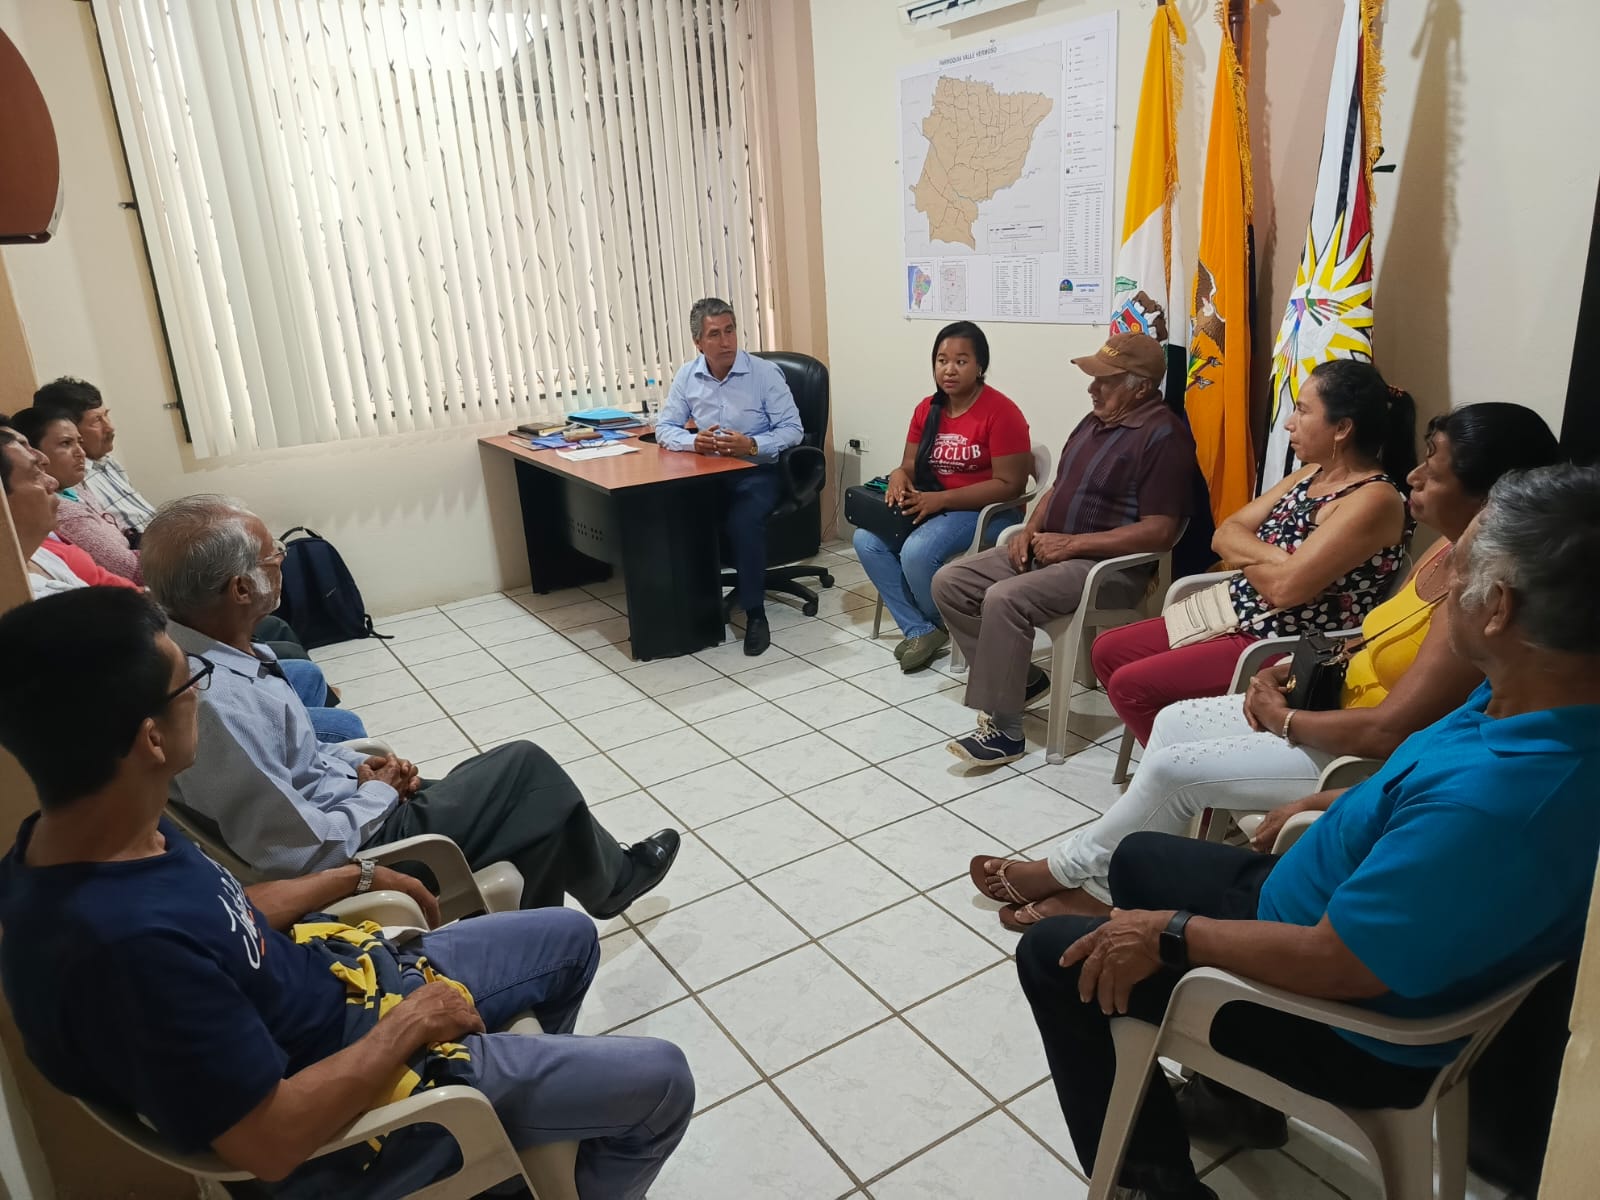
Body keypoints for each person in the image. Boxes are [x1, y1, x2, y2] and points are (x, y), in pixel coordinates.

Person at [1014, 462, 1600, 1200]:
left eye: (1460, 571)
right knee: (1137, 859)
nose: (1443, 584)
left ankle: (1154, 1184)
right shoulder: (1526, 696)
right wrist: (1332, 804)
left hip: (1342, 1024)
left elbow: (1338, 965)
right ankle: (1236, 1102)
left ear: (1499, 608)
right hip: (1315, 910)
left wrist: (1169, 934)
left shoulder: (1498, 803)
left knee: (1052, 956)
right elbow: (1418, 782)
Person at [0, 588, 693, 1199]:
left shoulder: (92, 834)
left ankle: (524, 1147)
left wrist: (354, 876)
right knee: (664, 1081)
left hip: (350, 986)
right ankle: (508, 1138)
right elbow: (270, 1142)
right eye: (193, 682)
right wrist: (410, 1026)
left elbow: (223, 919)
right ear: (151, 738)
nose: (204, 697)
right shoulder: (120, 950)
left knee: (570, 938)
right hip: (358, 1115)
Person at [971, 402, 1562, 925]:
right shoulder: (1444, 550)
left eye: (1434, 465)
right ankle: (1127, 866)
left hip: (1350, 748)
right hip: (1317, 688)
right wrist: (1295, 669)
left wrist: (1284, 719)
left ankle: (1075, 875)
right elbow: (1241, 544)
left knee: (1172, 768)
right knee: (1171, 724)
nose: (1415, 472)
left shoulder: (1476, 599)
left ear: (1488, 495)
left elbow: (1389, 730)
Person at [142, 495, 680, 914]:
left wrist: (358, 768)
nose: (282, 561)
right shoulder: (214, 703)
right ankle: (610, 884)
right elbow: (298, 852)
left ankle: (549, 938)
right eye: (274, 556)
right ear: (241, 589)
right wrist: (377, 795)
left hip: (348, 808)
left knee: (533, 812)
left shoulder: (219, 650)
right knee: (527, 769)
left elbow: (292, 762)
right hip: (362, 853)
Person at [1091, 359, 1417, 748]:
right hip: (1234, 611)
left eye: (1303, 411)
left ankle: (1187, 772)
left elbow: (1284, 591)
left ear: (1342, 428)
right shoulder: (1311, 473)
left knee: (1130, 686)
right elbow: (1224, 534)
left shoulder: (1374, 499)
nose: (1289, 423)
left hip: (1280, 638)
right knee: (1107, 651)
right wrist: (1280, 562)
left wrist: (1259, 564)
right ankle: (1188, 749)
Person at [930, 333, 1196, 766]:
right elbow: (1059, 487)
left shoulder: (1164, 437)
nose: (1092, 388)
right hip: (1051, 550)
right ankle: (1023, 680)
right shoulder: (1094, 422)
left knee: (1004, 598)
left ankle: (1006, 731)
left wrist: (1074, 544)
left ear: (1141, 388)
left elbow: (1161, 531)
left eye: (1105, 381)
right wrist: (1029, 528)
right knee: (950, 581)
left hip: (1106, 569)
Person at [852, 321, 1031, 673]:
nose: (949, 370)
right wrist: (899, 476)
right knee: (866, 540)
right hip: (935, 503)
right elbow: (909, 465)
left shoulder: (1001, 412)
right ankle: (921, 629)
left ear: (980, 366)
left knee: (917, 551)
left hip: (989, 511)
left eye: (961, 361)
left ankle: (948, 623)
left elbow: (1010, 485)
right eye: (942, 360)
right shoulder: (928, 409)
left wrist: (943, 501)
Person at [656, 297, 804, 656]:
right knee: (674, 511)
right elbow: (664, 428)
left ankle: (755, 614)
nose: (725, 341)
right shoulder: (688, 376)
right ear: (698, 343)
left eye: (730, 331)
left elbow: (793, 430)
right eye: (714, 334)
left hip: (758, 470)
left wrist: (751, 445)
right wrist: (694, 441)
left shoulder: (764, 374)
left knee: (742, 520)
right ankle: (689, 608)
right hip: (709, 472)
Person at [11, 405, 143, 582]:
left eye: (79, 442)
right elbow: (132, 571)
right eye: (66, 443)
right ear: (34, 454)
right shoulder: (62, 513)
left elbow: (124, 531)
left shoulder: (73, 488)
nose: (81, 453)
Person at [32, 376, 155, 544]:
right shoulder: (72, 481)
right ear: (68, 428)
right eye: (97, 420)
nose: (110, 427)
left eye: (106, 415)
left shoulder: (108, 462)